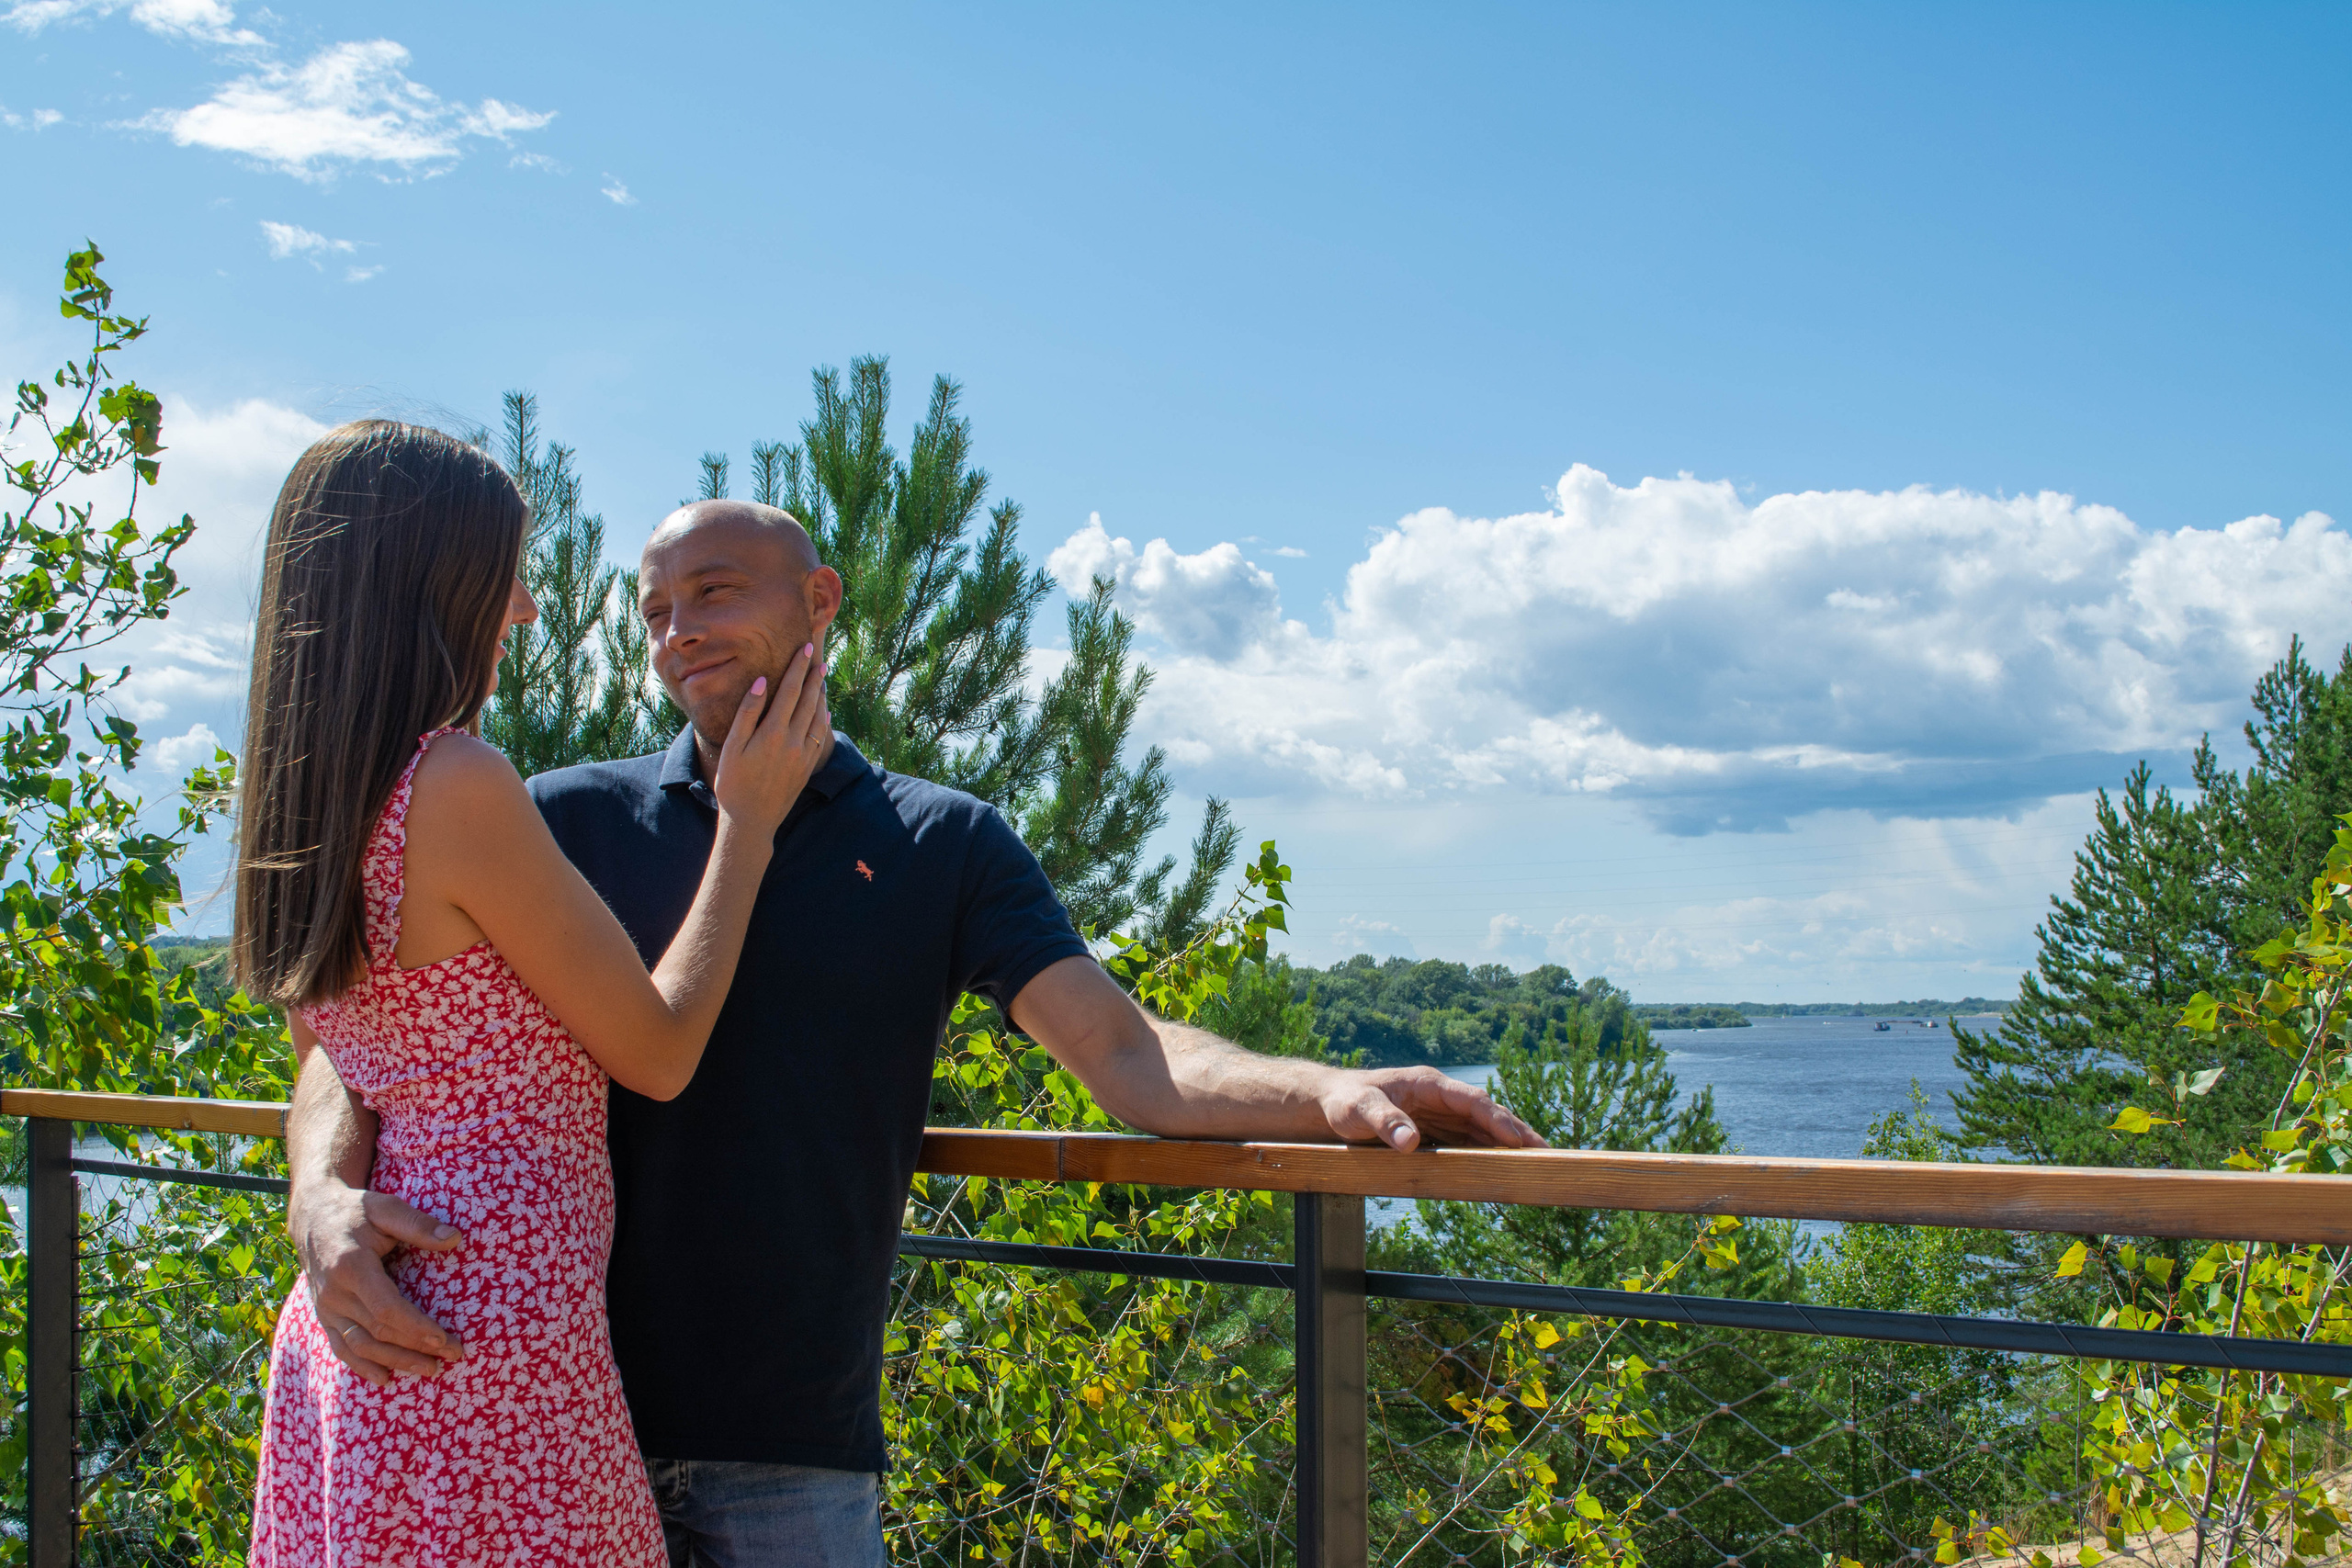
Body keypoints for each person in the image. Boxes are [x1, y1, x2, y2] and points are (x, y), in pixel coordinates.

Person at [288, 497, 1545, 1567]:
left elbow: (1126, 1053)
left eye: (713, 593)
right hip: (531, 1404)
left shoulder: (944, 841)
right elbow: (367, 1036)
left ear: (821, 597)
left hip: (793, 1451)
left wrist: (1325, 1086)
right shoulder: (557, 816)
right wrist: (319, 1192)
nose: (678, 634)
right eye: (656, 608)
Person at [236, 426, 832, 1566]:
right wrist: (748, 821)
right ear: (429, 582)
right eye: (502, 573)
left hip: (382, 1334)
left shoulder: (310, 801)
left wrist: (317, 1191)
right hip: (490, 1342)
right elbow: (655, 1051)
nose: (522, 610)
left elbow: (332, 1044)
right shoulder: (456, 781)